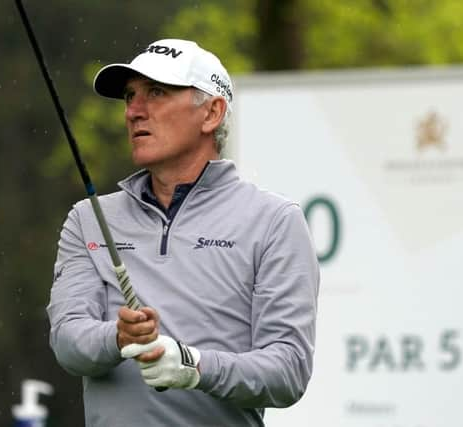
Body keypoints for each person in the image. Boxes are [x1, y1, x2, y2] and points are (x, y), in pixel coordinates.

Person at [47, 38, 320, 427]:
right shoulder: (88, 218)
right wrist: (118, 338)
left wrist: (196, 366)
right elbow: (68, 343)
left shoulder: (274, 220)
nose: (134, 112)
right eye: (130, 96)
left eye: (156, 93)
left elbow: (287, 371)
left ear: (211, 113)